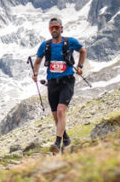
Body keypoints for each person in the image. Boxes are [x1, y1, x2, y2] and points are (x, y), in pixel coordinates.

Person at [33, 17, 86, 153]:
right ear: (49, 30)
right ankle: (66, 138)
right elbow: (38, 61)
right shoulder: (45, 45)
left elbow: (83, 51)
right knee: (56, 116)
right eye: (52, 28)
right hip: (52, 83)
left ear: (61, 28)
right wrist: (35, 74)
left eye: (57, 27)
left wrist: (80, 66)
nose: (55, 29)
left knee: (62, 110)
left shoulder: (70, 42)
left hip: (66, 81)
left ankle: (57, 143)